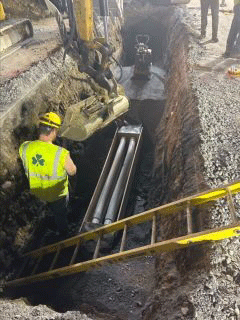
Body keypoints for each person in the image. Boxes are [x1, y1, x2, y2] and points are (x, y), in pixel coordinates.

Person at [19, 112, 77, 235]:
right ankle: (64, 232)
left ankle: (46, 215)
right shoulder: (61, 154)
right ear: (54, 131)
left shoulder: (24, 147)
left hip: (37, 191)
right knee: (60, 213)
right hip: (56, 195)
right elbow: (72, 172)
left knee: (48, 203)